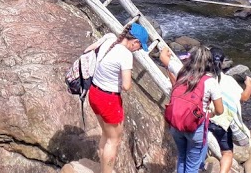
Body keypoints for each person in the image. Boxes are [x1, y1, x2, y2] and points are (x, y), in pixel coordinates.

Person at [84, 25, 149, 173]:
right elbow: (126, 86)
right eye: (139, 47)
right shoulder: (125, 55)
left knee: (106, 135)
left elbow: (88, 50)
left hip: (94, 92)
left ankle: (102, 168)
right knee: (114, 141)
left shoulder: (110, 39)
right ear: (135, 42)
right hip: (108, 99)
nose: (137, 50)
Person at [159, 46, 225, 173]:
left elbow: (163, 56)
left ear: (191, 59)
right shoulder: (210, 82)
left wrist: (166, 49)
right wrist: (210, 114)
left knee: (182, 158)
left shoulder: (181, 71)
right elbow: (220, 110)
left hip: (176, 124)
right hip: (196, 127)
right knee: (192, 166)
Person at [207, 47, 251, 173]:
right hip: (222, 123)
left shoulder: (202, 77)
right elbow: (244, 97)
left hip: (203, 119)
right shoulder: (229, 80)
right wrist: (249, 84)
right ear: (222, 63)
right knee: (227, 153)